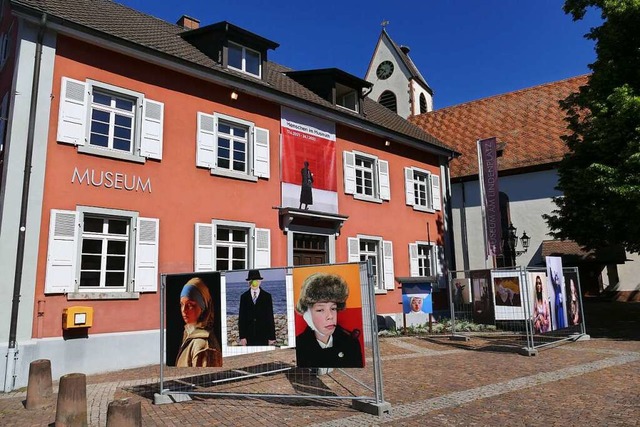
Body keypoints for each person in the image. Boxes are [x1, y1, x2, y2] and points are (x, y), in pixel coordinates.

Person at [295, 273, 363, 368]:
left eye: (333, 308)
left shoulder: (351, 343)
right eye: (320, 310)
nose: (330, 316)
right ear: (307, 314)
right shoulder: (299, 346)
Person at [175, 277, 222, 367]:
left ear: (203, 307)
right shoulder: (189, 333)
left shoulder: (202, 345)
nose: (184, 310)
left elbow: (203, 378)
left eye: (190, 305)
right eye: (182, 304)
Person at [238, 269, 276, 346]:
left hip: (263, 335)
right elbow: (242, 318)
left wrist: (272, 337)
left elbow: (270, 317)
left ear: (260, 281)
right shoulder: (244, 297)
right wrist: (242, 337)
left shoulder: (267, 296)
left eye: (256, 280)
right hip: (248, 336)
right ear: (248, 282)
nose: (254, 283)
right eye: (251, 281)